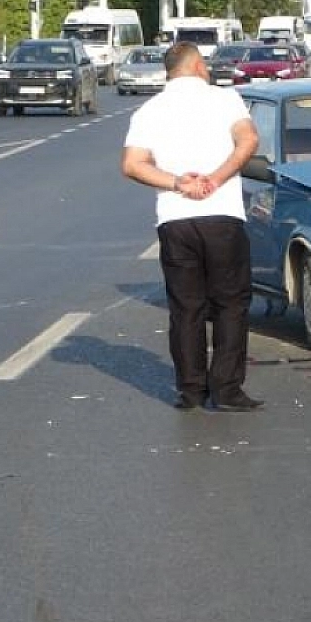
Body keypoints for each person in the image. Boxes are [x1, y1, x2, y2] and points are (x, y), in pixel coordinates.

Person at [120, 42, 263, 412]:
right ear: (199, 66)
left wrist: (178, 183)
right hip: (222, 215)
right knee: (231, 302)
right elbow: (248, 141)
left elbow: (133, 164)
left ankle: (191, 390)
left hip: (175, 219)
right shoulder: (224, 100)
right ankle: (227, 389)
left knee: (186, 307)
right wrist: (215, 179)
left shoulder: (148, 111)